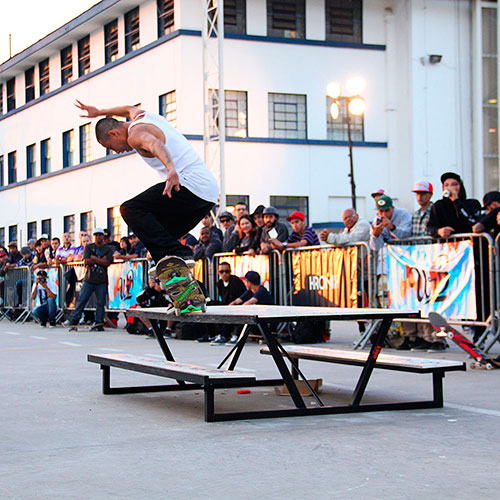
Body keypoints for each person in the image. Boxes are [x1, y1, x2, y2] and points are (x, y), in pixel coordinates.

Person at [76, 101, 218, 267]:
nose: (116, 151)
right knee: (158, 235)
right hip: (208, 195)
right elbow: (127, 107)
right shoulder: (142, 116)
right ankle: (184, 282)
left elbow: (155, 144)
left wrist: (171, 169)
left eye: (110, 146)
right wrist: (100, 111)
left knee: (130, 209)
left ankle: (179, 255)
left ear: (114, 133)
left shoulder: (135, 135)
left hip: (189, 185)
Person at [67, 229, 113, 331]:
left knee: (101, 302)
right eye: (96, 235)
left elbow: (107, 262)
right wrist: (101, 259)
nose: (98, 237)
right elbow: (86, 261)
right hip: (89, 279)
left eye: (100, 235)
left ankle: (99, 322)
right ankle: (75, 319)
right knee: (82, 300)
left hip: (101, 280)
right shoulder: (89, 247)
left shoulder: (107, 249)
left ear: (103, 236)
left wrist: (95, 259)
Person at [427, 172, 481, 238]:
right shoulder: (438, 205)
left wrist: (456, 201)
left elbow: (469, 221)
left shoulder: (472, 203)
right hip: (447, 245)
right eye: (446, 185)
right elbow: (430, 227)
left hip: (468, 244)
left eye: (454, 184)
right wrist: (438, 231)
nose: (450, 187)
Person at [209, 262, 247, 345]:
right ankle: (212, 333)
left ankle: (224, 335)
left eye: (227, 271)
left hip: (238, 306)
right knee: (210, 305)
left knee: (229, 310)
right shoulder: (219, 283)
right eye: (222, 272)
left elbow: (240, 298)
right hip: (227, 304)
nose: (224, 274)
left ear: (230, 271)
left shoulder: (236, 282)